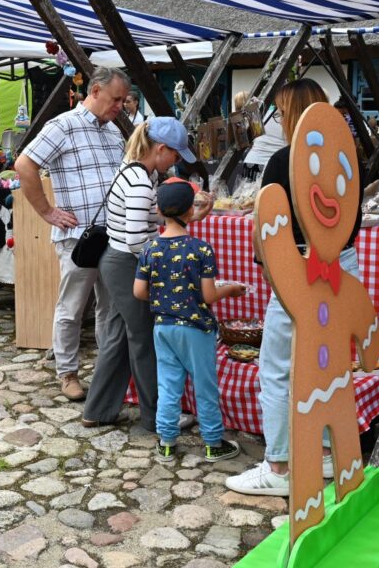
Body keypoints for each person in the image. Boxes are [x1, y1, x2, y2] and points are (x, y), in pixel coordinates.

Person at [226, 78, 363, 496]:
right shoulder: (347, 157)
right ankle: (325, 453)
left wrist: (271, 272)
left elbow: (268, 229)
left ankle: (280, 467)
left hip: (301, 265)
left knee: (278, 368)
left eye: (282, 113)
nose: (279, 121)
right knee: (329, 363)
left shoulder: (285, 160)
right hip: (342, 263)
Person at [15, 66, 131, 400]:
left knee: (110, 308)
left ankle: (107, 373)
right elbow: (24, 165)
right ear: (95, 91)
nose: (120, 106)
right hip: (78, 237)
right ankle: (67, 373)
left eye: (123, 100)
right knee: (72, 307)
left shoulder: (113, 132)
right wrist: (46, 211)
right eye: (115, 99)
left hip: (115, 234)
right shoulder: (62, 125)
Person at [82, 117, 205, 432]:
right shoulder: (140, 180)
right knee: (145, 341)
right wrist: (161, 268)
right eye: (174, 155)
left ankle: (98, 409)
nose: (174, 162)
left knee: (119, 338)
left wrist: (187, 216)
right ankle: (157, 417)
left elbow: (149, 216)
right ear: (160, 149)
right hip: (127, 264)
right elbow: (138, 239)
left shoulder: (134, 170)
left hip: (117, 261)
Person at [136, 178, 246, 462]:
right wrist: (231, 289)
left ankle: (166, 442)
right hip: (196, 329)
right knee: (205, 386)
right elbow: (209, 295)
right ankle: (212, 442)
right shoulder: (201, 249)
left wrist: (164, 298)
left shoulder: (150, 248)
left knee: (168, 385)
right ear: (190, 211)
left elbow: (139, 291)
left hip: (163, 327)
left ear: (159, 211)